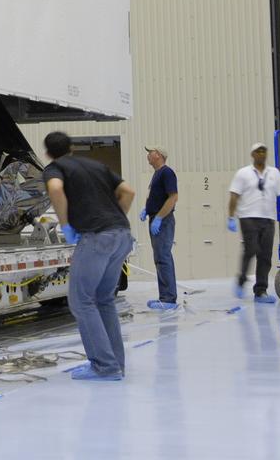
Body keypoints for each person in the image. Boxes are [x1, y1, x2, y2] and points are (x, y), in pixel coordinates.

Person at [42, 132, 136, 381]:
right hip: (122, 235)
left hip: (97, 237)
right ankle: (116, 365)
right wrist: (115, 221)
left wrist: (65, 224)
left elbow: (55, 189)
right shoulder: (97, 165)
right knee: (104, 300)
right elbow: (128, 192)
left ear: (48, 152)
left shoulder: (55, 168)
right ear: (71, 148)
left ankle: (104, 366)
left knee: (81, 301)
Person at [228, 142, 280, 303]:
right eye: (258, 151)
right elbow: (234, 195)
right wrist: (231, 217)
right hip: (248, 217)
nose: (261, 154)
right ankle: (241, 280)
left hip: (268, 218)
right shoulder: (243, 173)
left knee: (265, 255)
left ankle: (260, 291)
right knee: (251, 249)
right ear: (252, 154)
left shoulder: (274, 173)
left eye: (264, 151)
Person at [139, 146, 179, 310]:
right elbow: (157, 197)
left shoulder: (166, 172)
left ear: (159, 155)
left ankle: (168, 299)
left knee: (163, 257)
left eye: (151, 152)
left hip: (163, 220)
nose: (148, 155)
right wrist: (147, 209)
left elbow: (173, 197)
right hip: (156, 217)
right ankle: (165, 297)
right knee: (160, 258)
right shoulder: (157, 174)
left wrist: (160, 218)